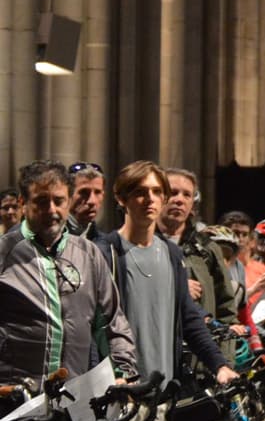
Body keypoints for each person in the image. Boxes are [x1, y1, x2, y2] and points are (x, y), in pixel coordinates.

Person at [95, 161, 236, 387]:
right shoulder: (104, 252)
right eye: (140, 192)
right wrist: (116, 373)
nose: (150, 198)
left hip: (165, 389)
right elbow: (95, 326)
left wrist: (219, 365)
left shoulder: (171, 254)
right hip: (121, 388)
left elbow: (188, 316)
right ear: (122, 199)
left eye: (157, 191)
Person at [0, 160, 137, 382]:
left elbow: (111, 322)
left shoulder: (89, 254)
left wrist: (124, 373)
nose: (51, 209)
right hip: (14, 397)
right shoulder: (5, 252)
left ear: (68, 201)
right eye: (41, 201)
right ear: (22, 203)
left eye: (58, 201)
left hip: (74, 395)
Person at [161, 169, 239, 325]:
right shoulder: (141, 244)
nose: (179, 200)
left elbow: (226, 308)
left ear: (192, 205)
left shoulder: (207, 248)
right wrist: (177, 287)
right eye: (173, 192)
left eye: (187, 195)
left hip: (200, 343)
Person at [65, 161, 106, 241]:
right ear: (67, 194)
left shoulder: (108, 246)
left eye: (97, 192)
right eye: (84, 192)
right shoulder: (48, 240)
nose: (92, 201)